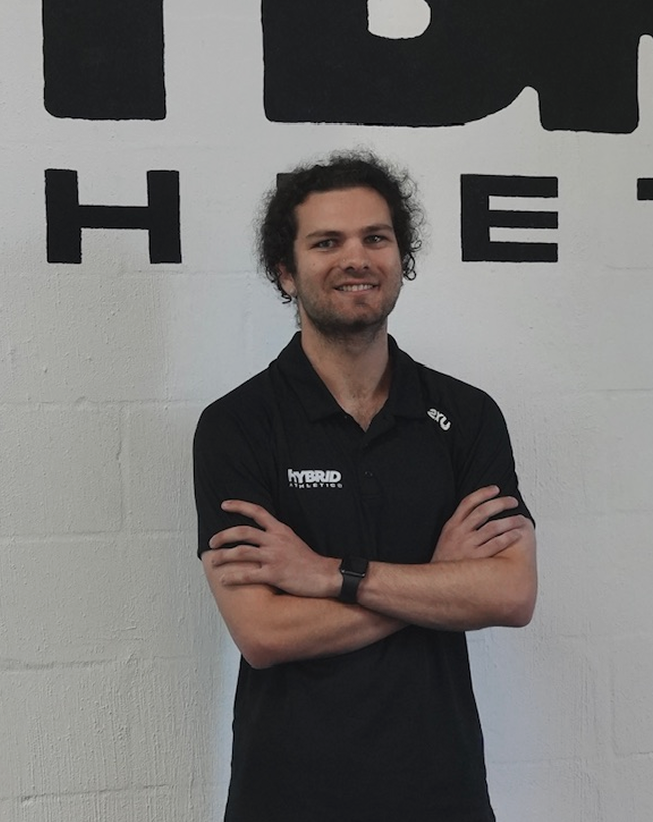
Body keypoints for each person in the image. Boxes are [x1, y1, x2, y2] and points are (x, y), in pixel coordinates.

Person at [192, 151, 537, 822]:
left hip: (443, 793)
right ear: (286, 272)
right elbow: (263, 632)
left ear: (401, 259)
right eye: (327, 242)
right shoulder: (237, 427)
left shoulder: (465, 417)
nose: (357, 257)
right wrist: (436, 583)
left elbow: (509, 592)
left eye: (375, 238)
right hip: (288, 795)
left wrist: (327, 574)